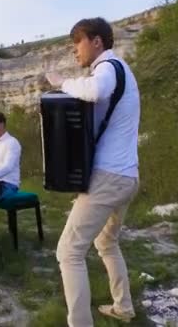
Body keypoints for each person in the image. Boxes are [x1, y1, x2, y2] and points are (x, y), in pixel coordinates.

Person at [45, 17, 141, 326]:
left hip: (109, 178)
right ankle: (123, 307)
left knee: (68, 251)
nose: (75, 51)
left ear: (97, 41)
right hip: (126, 177)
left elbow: (95, 91)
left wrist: (61, 82)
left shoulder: (108, 69)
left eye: (78, 42)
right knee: (105, 242)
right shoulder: (122, 70)